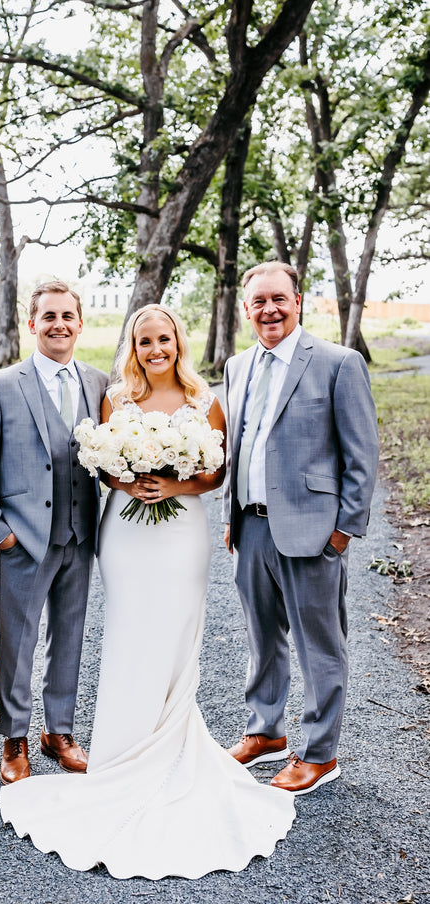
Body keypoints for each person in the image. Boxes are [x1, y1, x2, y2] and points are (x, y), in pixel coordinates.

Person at [0, 304, 296, 880]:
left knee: (177, 636)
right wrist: (129, 478)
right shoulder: (115, 397)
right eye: (143, 341)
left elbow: (215, 473)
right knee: (130, 636)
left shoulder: (204, 397)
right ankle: (119, 753)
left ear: (177, 341)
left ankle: (173, 749)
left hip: (182, 531)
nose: (154, 349)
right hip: (127, 533)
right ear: (131, 346)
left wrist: (174, 482)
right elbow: (102, 467)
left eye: (163, 339)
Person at [223, 261, 379, 794]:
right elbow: (240, 443)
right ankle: (265, 731)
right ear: (247, 310)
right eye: (258, 302)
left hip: (313, 529)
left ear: (298, 301)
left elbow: (362, 454)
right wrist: (231, 514)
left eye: (278, 299)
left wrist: (344, 531)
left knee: (319, 644)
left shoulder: (338, 363)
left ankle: (319, 753)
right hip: (252, 526)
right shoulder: (237, 365)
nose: (268, 309)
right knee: (262, 638)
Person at [0, 281, 108, 784]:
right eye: (48, 317)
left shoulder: (98, 382)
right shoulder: (1, 386)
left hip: (81, 532)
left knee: (69, 636)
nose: (59, 325)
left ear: (80, 323)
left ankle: (60, 731)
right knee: (19, 640)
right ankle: (15, 737)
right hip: (24, 537)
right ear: (32, 324)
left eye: (68, 316)